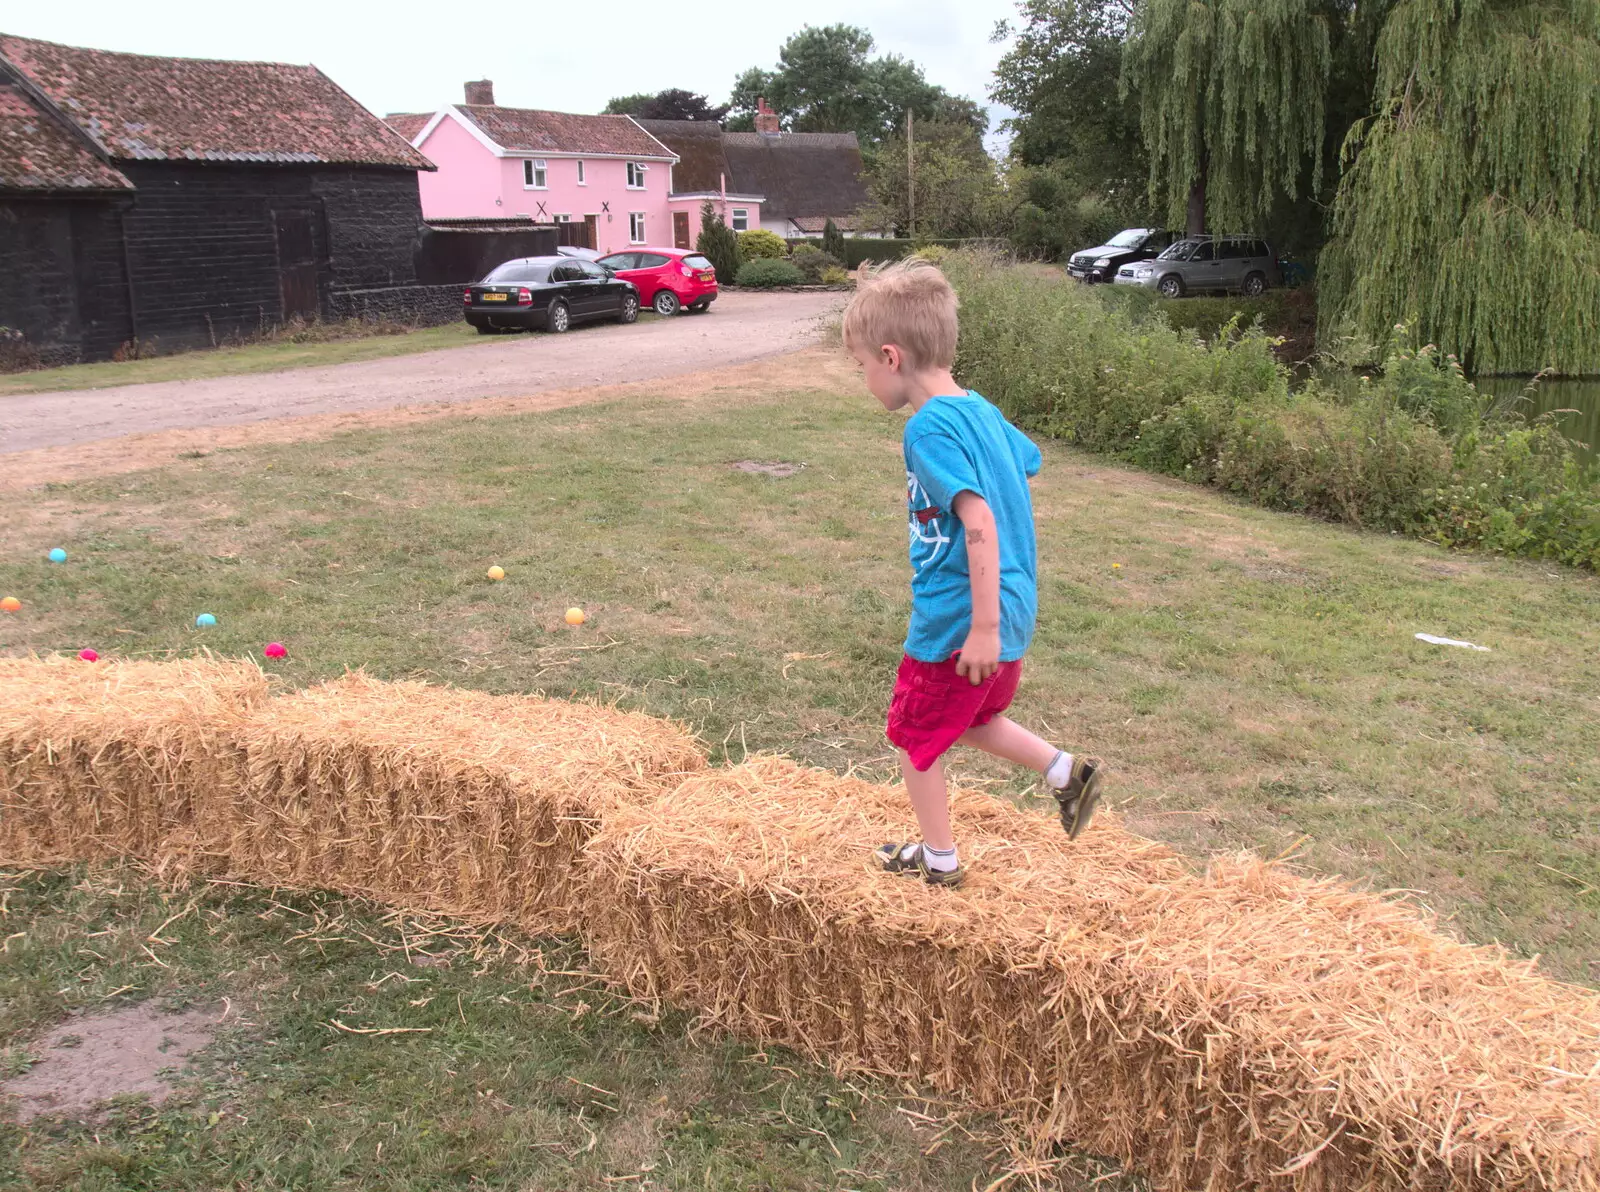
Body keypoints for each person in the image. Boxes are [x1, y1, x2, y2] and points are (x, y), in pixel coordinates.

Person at [841, 259, 1103, 887]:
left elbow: (978, 518)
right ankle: (1066, 773)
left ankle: (940, 862)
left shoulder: (926, 429)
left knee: (914, 737)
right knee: (974, 717)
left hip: (961, 618)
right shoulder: (977, 408)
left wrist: (980, 628)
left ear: (891, 356)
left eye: (863, 368)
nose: (865, 379)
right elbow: (1029, 458)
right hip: (1012, 607)